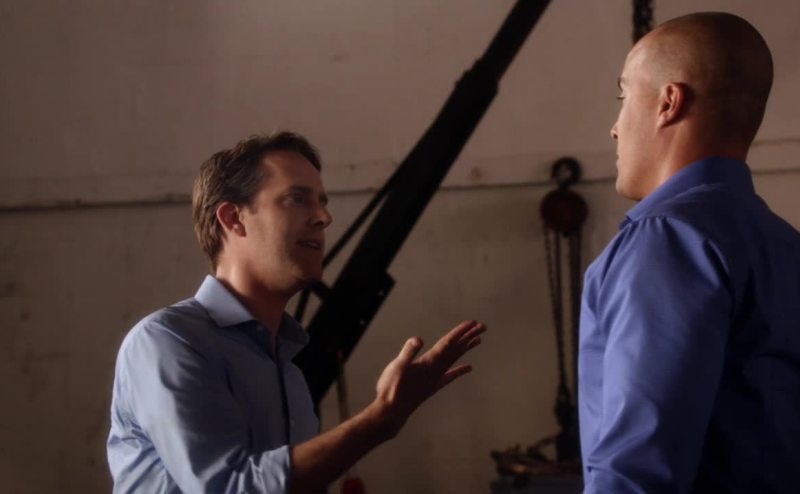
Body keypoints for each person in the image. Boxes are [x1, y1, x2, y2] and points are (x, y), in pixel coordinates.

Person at [107, 131, 486, 493]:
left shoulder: (288, 369)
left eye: (322, 202)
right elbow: (230, 488)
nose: (323, 217)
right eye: (297, 199)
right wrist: (380, 418)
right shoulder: (168, 342)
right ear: (233, 219)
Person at [578, 11, 800, 493]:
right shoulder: (784, 245)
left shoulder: (666, 241)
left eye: (623, 98)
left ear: (668, 103)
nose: (615, 128)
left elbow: (638, 471)